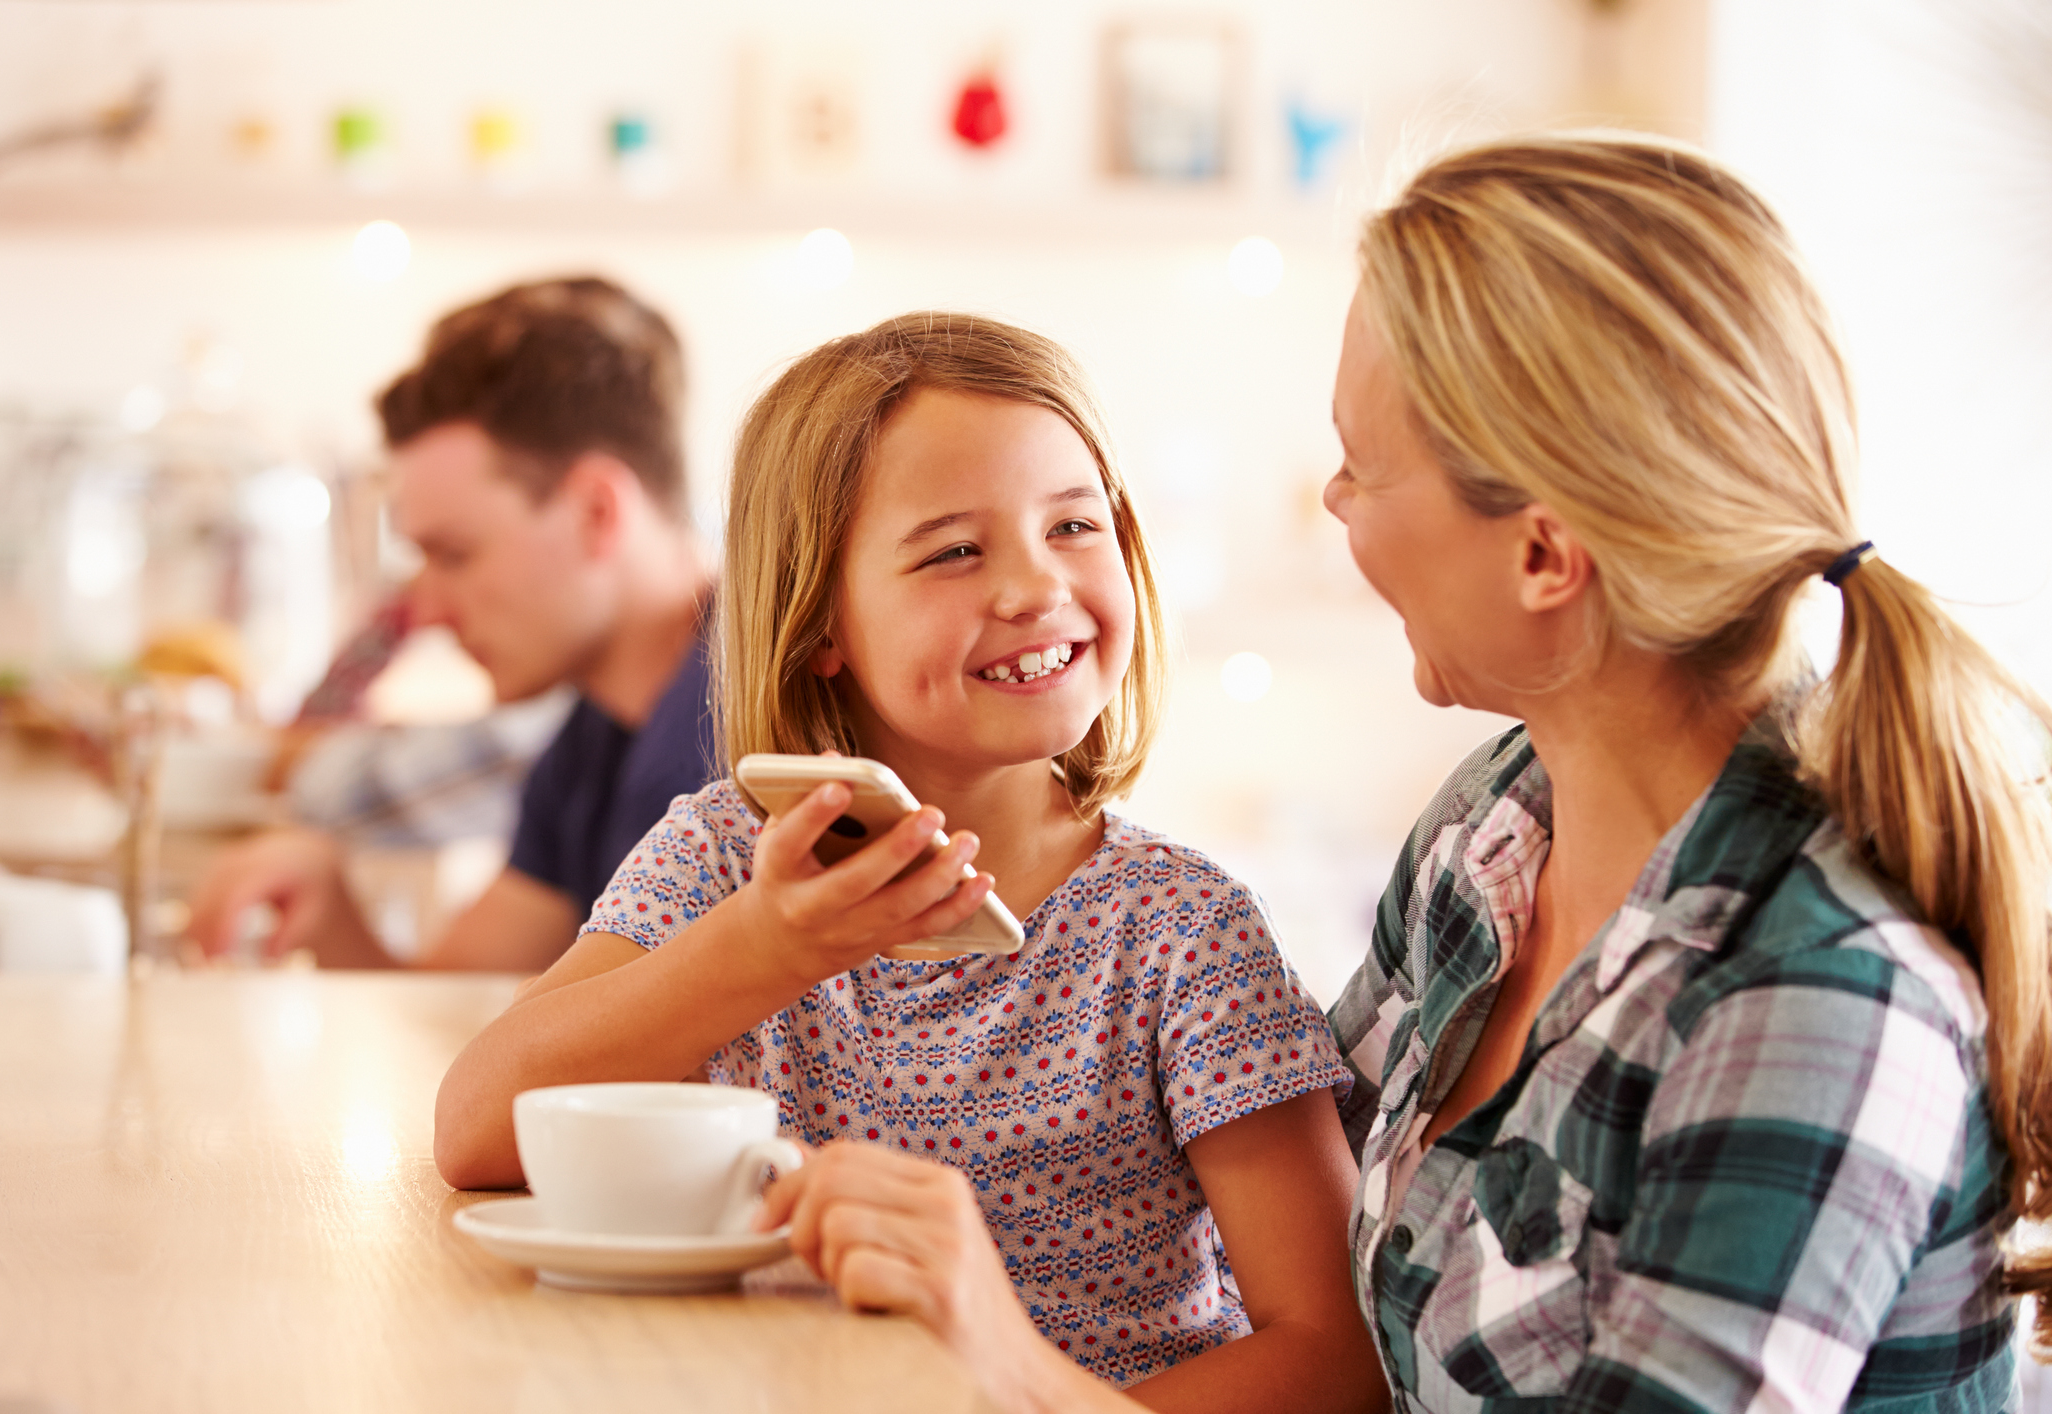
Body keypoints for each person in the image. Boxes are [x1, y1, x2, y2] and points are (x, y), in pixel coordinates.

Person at [750, 135, 2052, 1413]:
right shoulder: (1497, 828)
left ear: (1543, 555)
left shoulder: (1820, 995)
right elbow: (1333, 1303)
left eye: (1364, 464)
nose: (1333, 499)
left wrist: (1016, 1370)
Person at [434, 312, 1379, 1410]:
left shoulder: (1180, 929)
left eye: (1074, 526)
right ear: (821, 618)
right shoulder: (721, 862)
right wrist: (769, 945)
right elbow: (478, 1129)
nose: (1035, 587)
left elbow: (1333, 1359)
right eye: (955, 551)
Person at [187, 277, 716, 971]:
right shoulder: (592, 738)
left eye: (454, 554)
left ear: (596, 512)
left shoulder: (733, 744)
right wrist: (331, 905)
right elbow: (469, 1019)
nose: (427, 612)